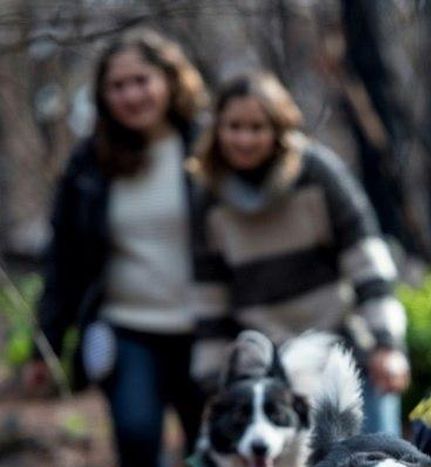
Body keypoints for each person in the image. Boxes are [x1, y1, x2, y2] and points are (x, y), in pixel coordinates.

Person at [24, 29, 229, 467]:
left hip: (206, 329)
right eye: (118, 85)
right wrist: (46, 345)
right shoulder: (88, 165)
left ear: (169, 81)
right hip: (127, 331)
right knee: (136, 438)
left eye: (141, 80)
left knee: (210, 446)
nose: (131, 95)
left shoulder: (208, 148)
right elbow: (63, 263)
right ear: (102, 95)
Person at [189, 71, 411, 435]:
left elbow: (368, 263)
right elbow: (209, 297)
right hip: (266, 366)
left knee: (377, 450)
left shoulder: (317, 174)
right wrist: (213, 382)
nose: (244, 138)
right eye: (234, 126)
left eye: (257, 127)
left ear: (278, 128)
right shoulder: (208, 199)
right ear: (218, 130)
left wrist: (388, 344)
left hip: (342, 345)